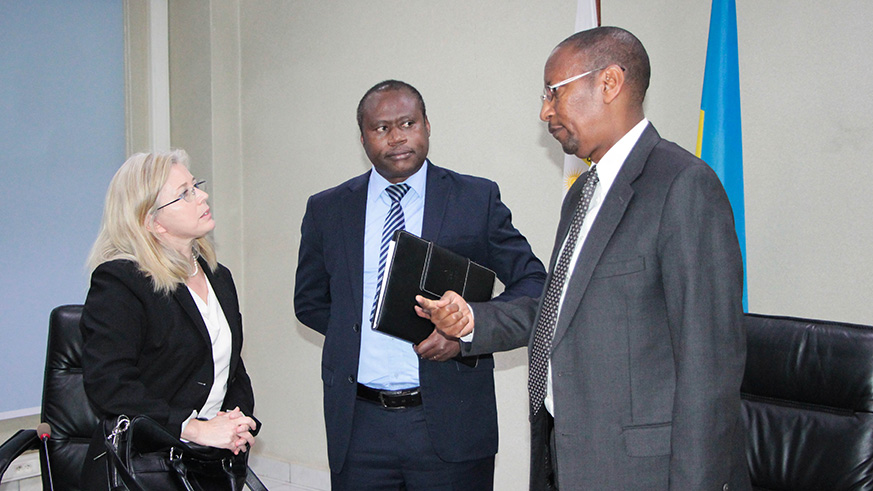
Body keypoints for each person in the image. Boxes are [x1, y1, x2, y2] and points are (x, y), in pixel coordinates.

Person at [416, 27, 751, 490]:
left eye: (555, 92)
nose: (545, 111)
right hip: (564, 457)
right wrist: (472, 320)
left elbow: (708, 366)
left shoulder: (682, 186)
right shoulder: (583, 195)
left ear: (609, 82)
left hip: (640, 472)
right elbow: (558, 311)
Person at [294, 80, 546, 489]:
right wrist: (359, 334)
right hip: (359, 426)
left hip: (451, 420)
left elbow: (534, 284)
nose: (396, 138)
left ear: (427, 126)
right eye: (381, 128)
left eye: (408, 123)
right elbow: (310, 302)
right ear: (362, 138)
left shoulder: (474, 199)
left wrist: (467, 331)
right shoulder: (328, 208)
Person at [80, 150, 258, 488]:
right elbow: (110, 384)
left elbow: (231, 369)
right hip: (145, 468)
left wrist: (236, 421)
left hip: (207, 463)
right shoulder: (120, 282)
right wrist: (193, 428)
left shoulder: (219, 277)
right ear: (151, 221)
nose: (202, 196)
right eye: (185, 193)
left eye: (196, 186)